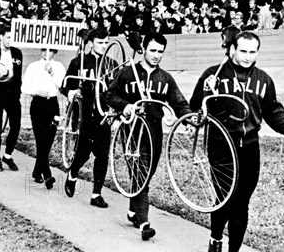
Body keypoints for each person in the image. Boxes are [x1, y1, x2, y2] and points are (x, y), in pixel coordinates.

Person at [189, 30, 284, 252]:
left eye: (253, 52)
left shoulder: (263, 79)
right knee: (225, 197)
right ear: (232, 50)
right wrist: (206, 93)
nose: (247, 57)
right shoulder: (214, 74)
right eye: (243, 51)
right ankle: (216, 238)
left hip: (250, 146)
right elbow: (195, 106)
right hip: (221, 145)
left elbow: (273, 110)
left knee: (242, 202)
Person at [104, 32, 192, 241]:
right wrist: (125, 106)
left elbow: (179, 103)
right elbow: (109, 95)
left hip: (154, 131)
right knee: (141, 171)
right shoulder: (127, 73)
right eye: (152, 50)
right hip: (133, 130)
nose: (156, 55)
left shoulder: (165, 78)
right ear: (143, 49)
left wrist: (189, 118)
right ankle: (144, 222)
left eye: (160, 52)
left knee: (147, 171)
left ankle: (134, 210)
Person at [61, 28, 112, 207]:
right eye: (100, 43)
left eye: (106, 43)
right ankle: (73, 174)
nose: (103, 46)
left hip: (103, 115)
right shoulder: (79, 62)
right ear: (91, 43)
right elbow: (65, 85)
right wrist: (71, 92)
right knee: (83, 152)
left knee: (103, 155)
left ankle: (96, 194)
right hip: (85, 114)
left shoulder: (111, 64)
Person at [21, 47, 66, 188]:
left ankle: (36, 171)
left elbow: (63, 86)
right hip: (38, 104)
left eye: (51, 50)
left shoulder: (58, 66)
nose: (47, 53)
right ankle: (47, 175)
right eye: (44, 50)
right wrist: (36, 91)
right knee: (40, 138)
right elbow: (24, 87)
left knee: (48, 139)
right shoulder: (33, 66)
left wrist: (52, 72)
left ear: (55, 52)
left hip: (53, 104)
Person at [0, 26, 23, 172]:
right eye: (8, 37)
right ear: (1, 37)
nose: (10, 40)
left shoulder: (17, 52)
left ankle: (7, 156)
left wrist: (17, 91)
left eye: (12, 37)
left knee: (16, 124)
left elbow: (18, 74)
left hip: (12, 90)